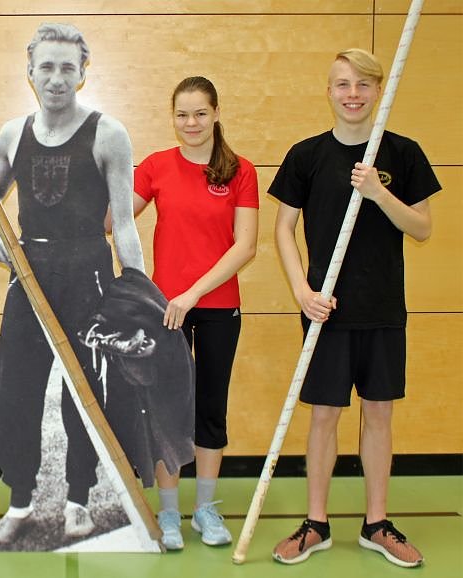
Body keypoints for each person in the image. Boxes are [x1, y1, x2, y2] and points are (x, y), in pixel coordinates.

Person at [0, 23, 165, 546]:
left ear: (83, 73)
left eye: (67, 67)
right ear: (30, 72)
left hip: (91, 277)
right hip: (30, 275)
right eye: (46, 67)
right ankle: (19, 501)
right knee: (14, 392)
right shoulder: (13, 133)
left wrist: (138, 295)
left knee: (84, 394)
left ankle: (77, 496)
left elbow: (124, 222)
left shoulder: (109, 132)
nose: (56, 78)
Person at [270, 48, 440, 568]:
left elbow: (423, 227)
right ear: (329, 91)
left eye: (363, 85)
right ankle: (316, 524)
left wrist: (378, 194)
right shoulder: (307, 155)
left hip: (383, 308)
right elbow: (282, 230)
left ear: (378, 91)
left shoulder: (403, 153)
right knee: (324, 416)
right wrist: (301, 290)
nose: (352, 94)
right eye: (342, 84)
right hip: (326, 309)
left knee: (379, 415)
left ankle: (376, 524)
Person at [130, 77, 259, 550]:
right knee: (166, 412)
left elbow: (245, 246)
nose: (191, 123)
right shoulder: (156, 166)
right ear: (173, 117)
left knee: (209, 409)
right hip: (165, 310)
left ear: (216, 113)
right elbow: (113, 220)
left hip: (218, 308)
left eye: (200, 113)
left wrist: (191, 294)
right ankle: (168, 514)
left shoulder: (240, 170)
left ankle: (205, 510)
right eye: (182, 114)